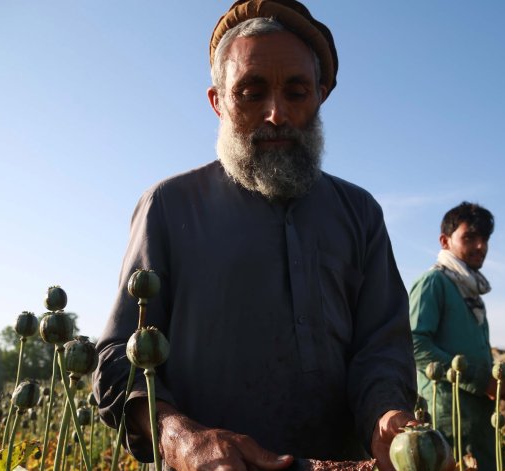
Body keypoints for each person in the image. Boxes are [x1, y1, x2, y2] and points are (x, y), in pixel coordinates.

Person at [92, 1, 417, 470]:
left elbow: (381, 348)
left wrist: (386, 416)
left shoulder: (360, 213)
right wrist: (178, 436)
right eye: (252, 91)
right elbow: (118, 360)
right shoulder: (167, 206)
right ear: (218, 101)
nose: (276, 114)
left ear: (320, 97)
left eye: (296, 91)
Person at [410, 201, 505, 470]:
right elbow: (415, 344)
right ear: (445, 241)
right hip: (448, 413)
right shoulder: (434, 283)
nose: (481, 246)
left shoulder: (472, 291)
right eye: (470, 237)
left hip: (478, 414)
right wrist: (479, 380)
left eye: (484, 238)